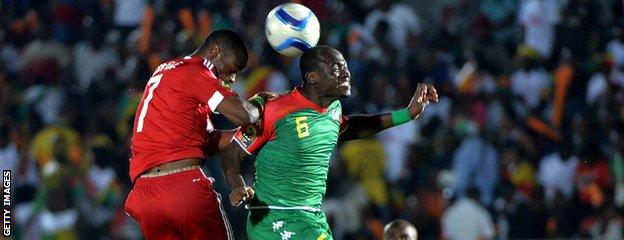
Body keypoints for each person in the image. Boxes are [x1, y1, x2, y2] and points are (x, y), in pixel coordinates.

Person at [220, 45, 438, 239]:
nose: (346, 73)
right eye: (336, 69)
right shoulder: (275, 110)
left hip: (311, 218)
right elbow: (232, 152)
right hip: (272, 217)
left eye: (345, 67)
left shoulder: (333, 110)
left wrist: (406, 115)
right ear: (313, 77)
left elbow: (349, 127)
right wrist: (238, 184)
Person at [124, 29, 269, 240]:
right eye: (233, 68)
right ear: (215, 51)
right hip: (182, 187)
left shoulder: (167, 71)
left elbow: (202, 140)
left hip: (146, 195)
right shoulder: (196, 71)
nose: (232, 77)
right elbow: (243, 115)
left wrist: (250, 136)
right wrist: (261, 103)